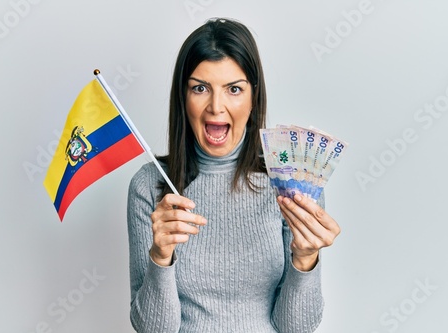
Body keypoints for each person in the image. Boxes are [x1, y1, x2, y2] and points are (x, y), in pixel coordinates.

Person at [127, 17, 341, 333]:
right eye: (200, 88)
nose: (216, 106)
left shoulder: (289, 185)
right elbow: (154, 330)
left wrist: (305, 259)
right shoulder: (150, 185)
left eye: (234, 89)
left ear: (254, 98)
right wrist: (161, 257)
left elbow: (296, 328)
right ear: (183, 98)